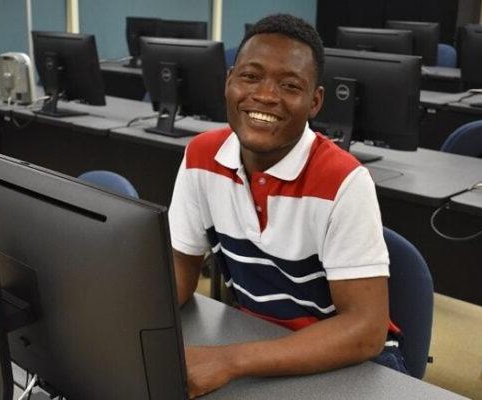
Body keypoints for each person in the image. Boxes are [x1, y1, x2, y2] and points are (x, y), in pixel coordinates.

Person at [168, 14, 406, 399]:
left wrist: (230, 361)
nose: (265, 95)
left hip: (349, 363)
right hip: (257, 339)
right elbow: (179, 272)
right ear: (229, 81)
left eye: (290, 85)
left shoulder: (344, 181)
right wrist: (122, 319)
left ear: (315, 101)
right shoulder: (201, 156)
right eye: (250, 76)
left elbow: (365, 332)